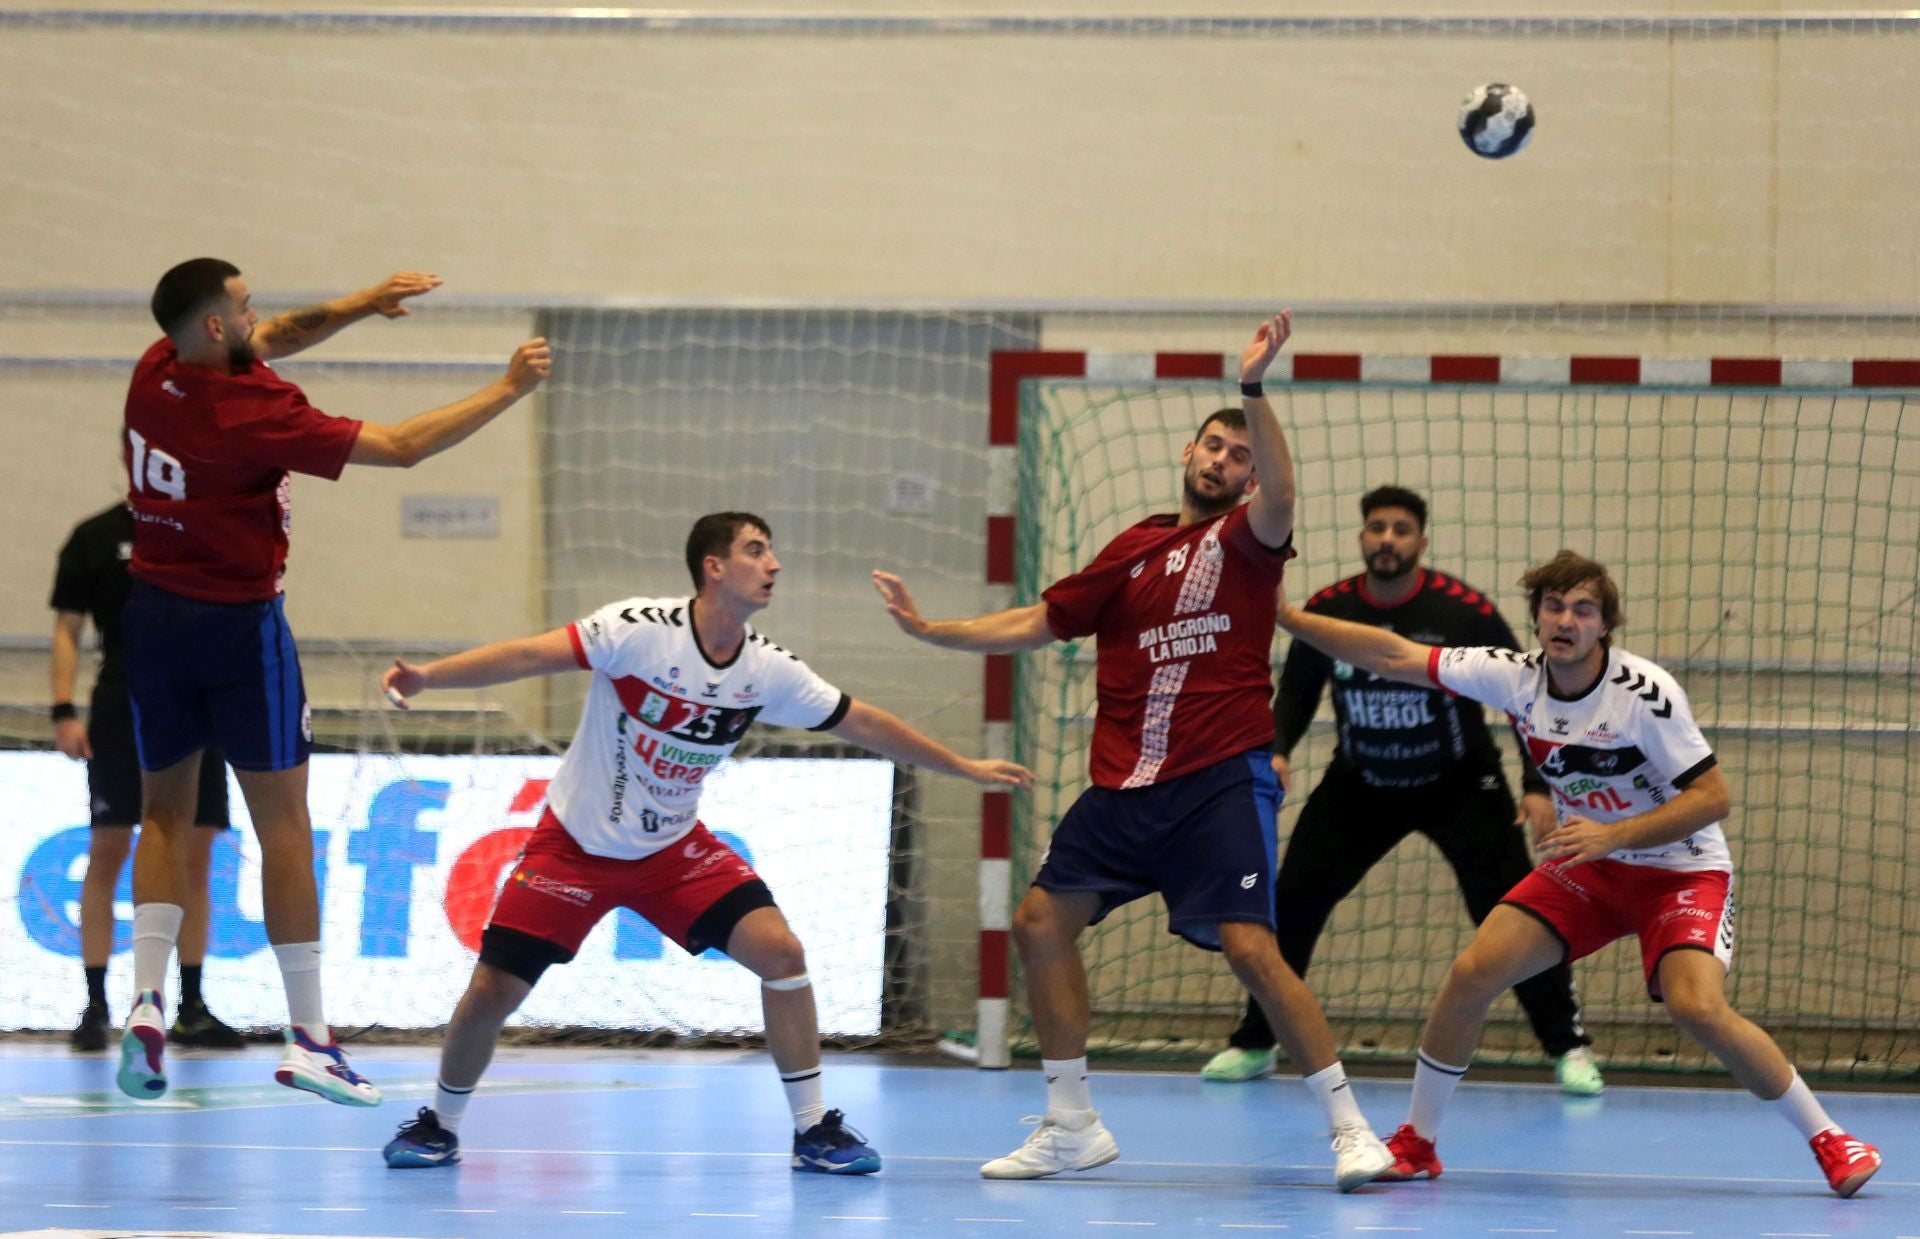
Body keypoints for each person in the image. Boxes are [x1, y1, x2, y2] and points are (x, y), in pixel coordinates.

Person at [872, 314, 1394, 1192]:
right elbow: (1039, 620)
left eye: (1241, 455)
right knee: (1040, 922)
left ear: (1250, 475)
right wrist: (934, 630)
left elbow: (1284, 500)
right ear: (1188, 451)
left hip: (1217, 780)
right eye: (1216, 445)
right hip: (1122, 786)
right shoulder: (1131, 550)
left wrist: (1256, 388)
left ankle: (1350, 1128)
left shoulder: (1246, 544)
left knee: (1251, 948)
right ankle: (1072, 1122)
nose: (1225, 460)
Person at [376, 511, 1034, 1174]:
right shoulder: (638, 630)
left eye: (772, 550)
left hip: (673, 854)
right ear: (714, 566)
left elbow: (862, 720)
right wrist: (431, 675)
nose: (773, 563)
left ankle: (813, 1130)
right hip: (573, 847)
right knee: (492, 988)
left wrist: (966, 766)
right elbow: (525, 655)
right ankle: (438, 1123)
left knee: (782, 952)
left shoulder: (766, 668)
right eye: (756, 550)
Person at [1267, 549, 1883, 1198]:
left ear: (1604, 625)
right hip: (1591, 867)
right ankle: (1418, 1143)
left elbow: (1712, 799)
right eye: (1554, 606)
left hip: (1680, 869)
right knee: (1474, 972)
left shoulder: (1644, 693)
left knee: (1695, 1004)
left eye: (1583, 609)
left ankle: (1831, 1136)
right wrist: (1287, 615)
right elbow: (1391, 654)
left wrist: (1612, 834)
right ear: (1536, 619)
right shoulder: (1514, 676)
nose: (1566, 619)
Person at [117, 258, 551, 1107]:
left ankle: (145, 1002)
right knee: (282, 824)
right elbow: (403, 447)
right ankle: (310, 1038)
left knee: (162, 810)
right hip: (239, 630)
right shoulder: (256, 412)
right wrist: (505, 389)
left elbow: (277, 337)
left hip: (153, 615)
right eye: (242, 308)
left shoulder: (154, 368)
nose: (257, 317)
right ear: (214, 326)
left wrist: (360, 303)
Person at [1202, 486, 1602, 1096]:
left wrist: (1536, 785)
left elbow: (1526, 694)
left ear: (1421, 541)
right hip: (1360, 784)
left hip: (1461, 784)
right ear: (1363, 538)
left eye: (1401, 529)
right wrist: (1276, 751)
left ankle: (1568, 1047)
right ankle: (1257, 1040)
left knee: (1519, 913)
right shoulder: (1328, 608)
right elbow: (1298, 693)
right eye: (1377, 528)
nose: (1387, 539)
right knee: (1294, 901)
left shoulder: (1463, 611)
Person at [51, 501, 244, 1053]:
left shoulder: (207, 522)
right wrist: (62, 709)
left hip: (196, 702)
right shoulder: (95, 534)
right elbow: (67, 626)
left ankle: (191, 1006)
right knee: (108, 848)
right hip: (121, 703)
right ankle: (95, 1005)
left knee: (197, 852)